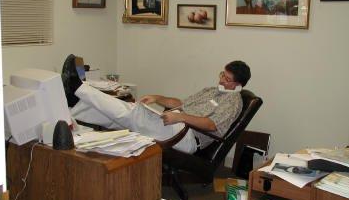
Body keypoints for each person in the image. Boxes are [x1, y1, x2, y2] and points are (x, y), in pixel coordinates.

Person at [62, 55, 251, 154]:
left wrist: (180, 117)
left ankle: (77, 88)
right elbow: (182, 103)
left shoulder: (233, 101)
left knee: (134, 113)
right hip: (178, 124)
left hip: (189, 137)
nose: (221, 79)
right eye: (222, 74)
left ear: (237, 85)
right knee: (117, 118)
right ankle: (74, 105)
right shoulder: (212, 90)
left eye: (226, 79)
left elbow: (212, 125)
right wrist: (158, 98)